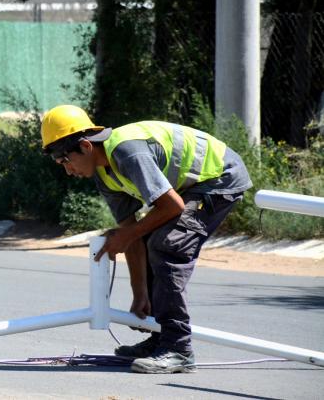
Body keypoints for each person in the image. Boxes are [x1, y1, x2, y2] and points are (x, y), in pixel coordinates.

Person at [40, 105, 251, 374]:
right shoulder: (104, 175)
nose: (68, 170)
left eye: (65, 161)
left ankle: (178, 349)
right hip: (189, 188)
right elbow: (132, 233)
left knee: (167, 244)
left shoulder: (127, 153)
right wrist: (140, 294)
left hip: (220, 177)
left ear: (85, 146)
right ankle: (159, 339)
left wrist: (126, 235)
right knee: (151, 235)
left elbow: (171, 207)